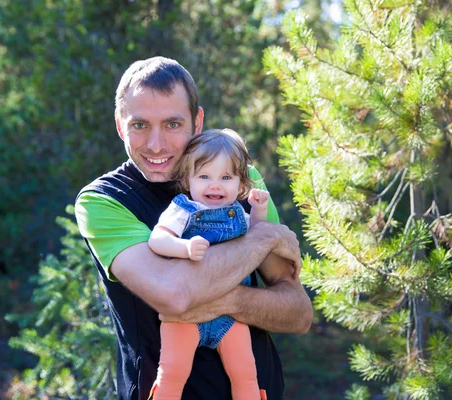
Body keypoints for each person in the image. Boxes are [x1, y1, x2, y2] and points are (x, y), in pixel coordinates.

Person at [75, 56, 313, 400]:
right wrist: (263, 237)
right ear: (119, 125)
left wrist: (224, 299)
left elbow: (298, 312)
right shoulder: (105, 201)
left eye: (172, 124)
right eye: (139, 125)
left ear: (197, 122)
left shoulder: (240, 181)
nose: (156, 144)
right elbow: (175, 295)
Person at [148, 128, 285, 400]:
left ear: (240, 184)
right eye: (205, 176)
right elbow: (157, 239)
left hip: (230, 317)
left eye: (226, 177)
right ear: (188, 180)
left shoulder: (238, 213)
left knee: (245, 373)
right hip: (186, 314)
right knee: (173, 372)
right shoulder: (183, 209)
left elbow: (258, 241)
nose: (215, 185)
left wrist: (257, 210)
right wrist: (184, 247)